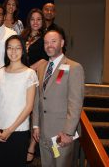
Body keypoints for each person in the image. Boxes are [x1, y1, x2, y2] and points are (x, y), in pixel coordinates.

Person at [32, 29, 84, 167]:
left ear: (62, 43)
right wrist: (36, 125)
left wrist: (68, 132)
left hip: (61, 135)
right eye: (46, 42)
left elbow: (75, 103)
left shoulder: (73, 67)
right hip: (43, 133)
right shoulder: (42, 67)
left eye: (53, 41)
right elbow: (38, 97)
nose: (49, 45)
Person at [0, 35, 38, 167]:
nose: (13, 51)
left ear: (23, 50)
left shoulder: (30, 74)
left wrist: (10, 130)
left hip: (18, 130)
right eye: (10, 48)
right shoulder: (0, 72)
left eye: (17, 48)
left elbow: (29, 107)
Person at [21, 8, 48, 163]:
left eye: (39, 19)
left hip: (36, 76)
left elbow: (46, 58)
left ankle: (31, 146)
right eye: (33, 19)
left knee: (35, 112)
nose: (36, 22)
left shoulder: (46, 37)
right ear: (29, 21)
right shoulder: (22, 35)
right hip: (21, 78)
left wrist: (29, 70)